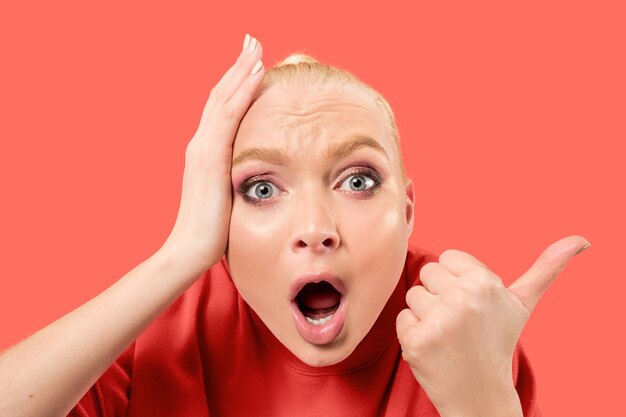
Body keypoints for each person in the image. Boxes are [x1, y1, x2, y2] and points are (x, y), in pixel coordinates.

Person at [0, 34, 589, 417]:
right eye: (261, 189)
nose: (315, 229)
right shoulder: (160, 332)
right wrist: (181, 253)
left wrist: (484, 404)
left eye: (357, 180)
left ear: (407, 211)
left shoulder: (462, 330)